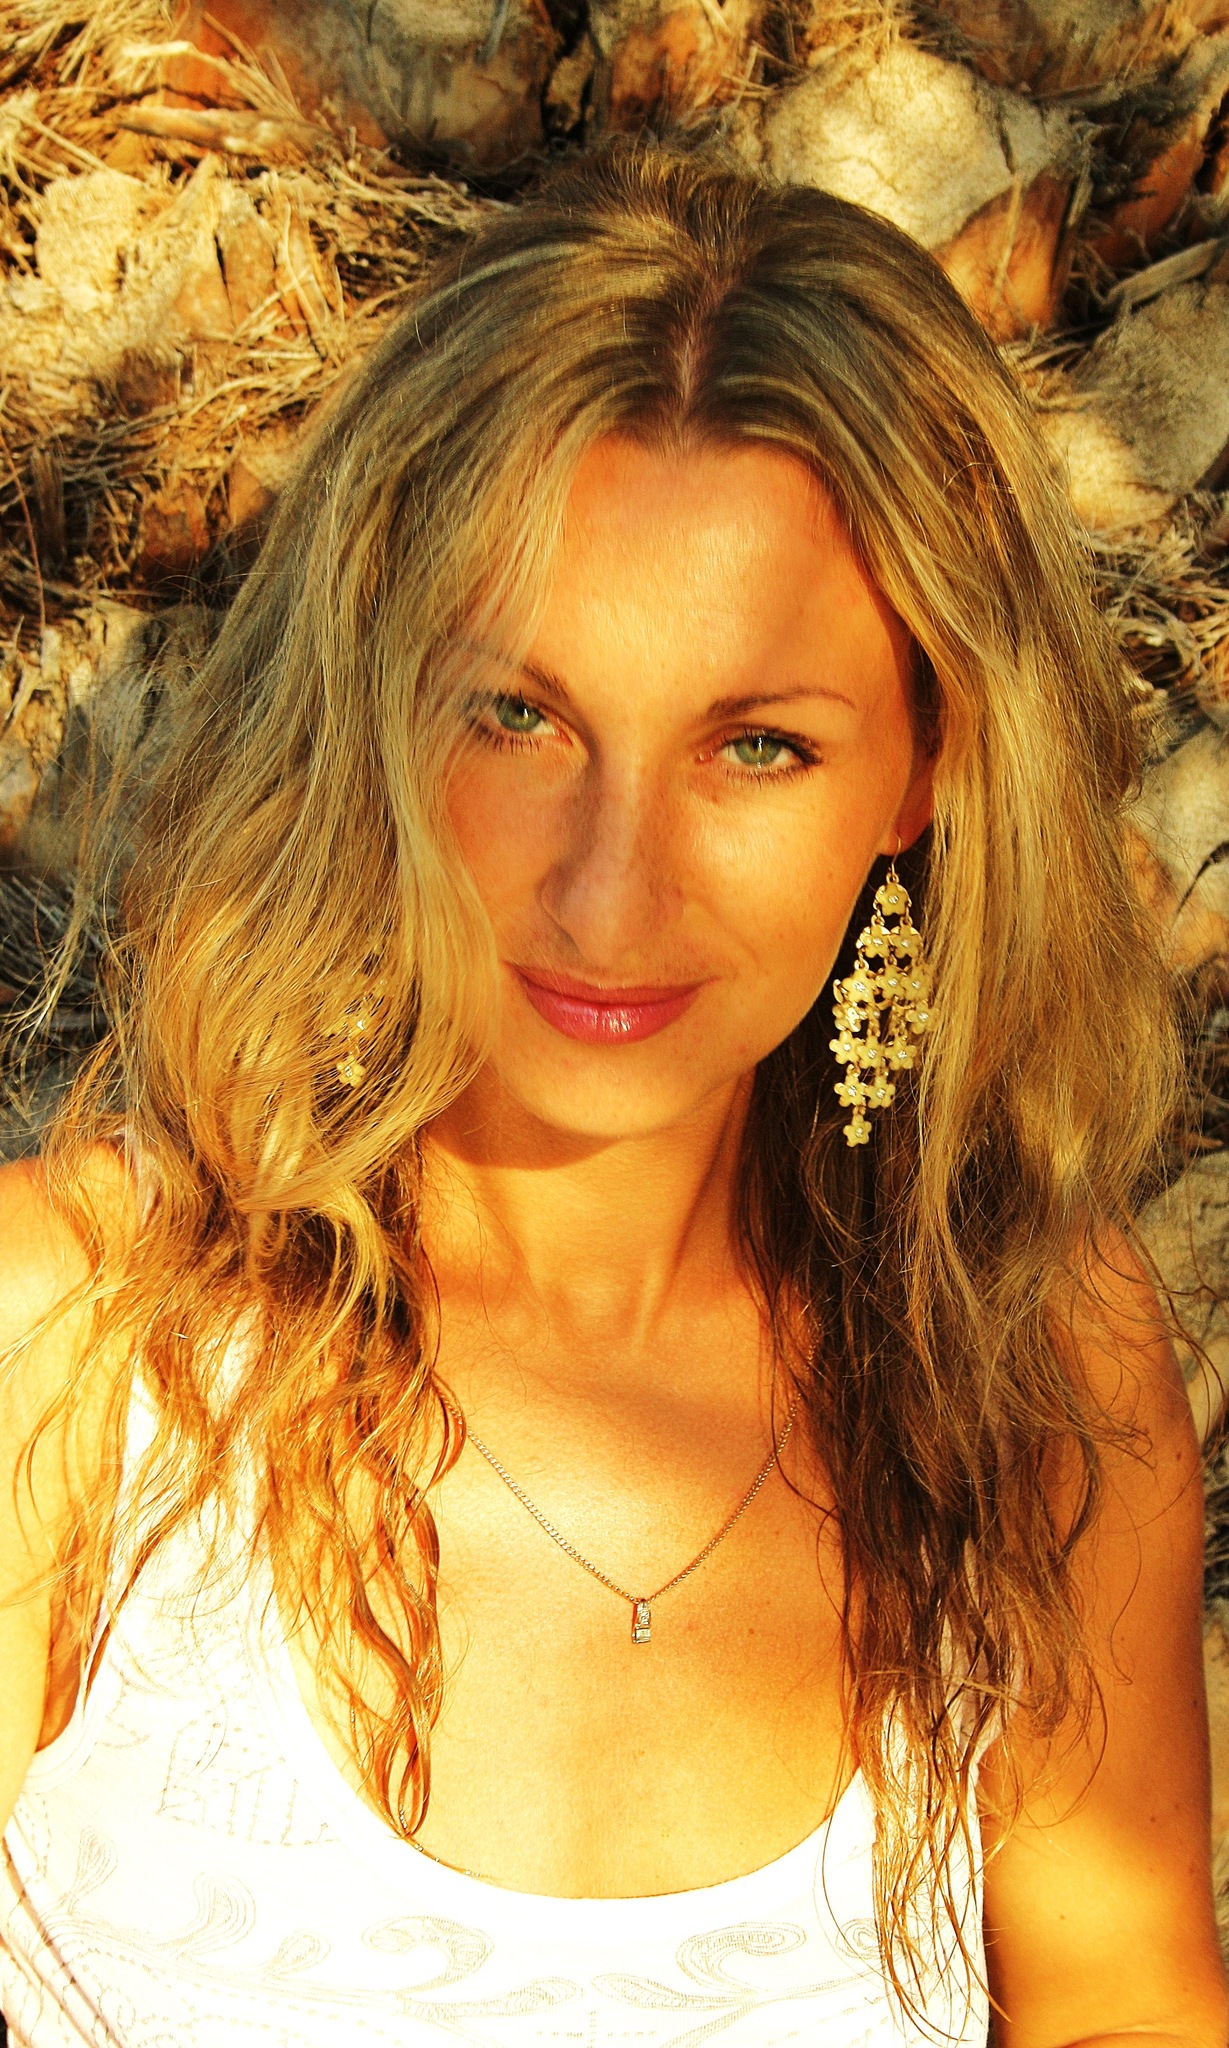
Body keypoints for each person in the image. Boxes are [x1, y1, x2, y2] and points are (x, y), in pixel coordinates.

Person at [0, 137, 1223, 2048]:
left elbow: (1117, 2004)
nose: (609, 891)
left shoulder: (1028, 1363)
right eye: (521, 714)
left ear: (921, 771)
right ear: (378, 702)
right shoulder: (79, 1335)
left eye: (756, 745)